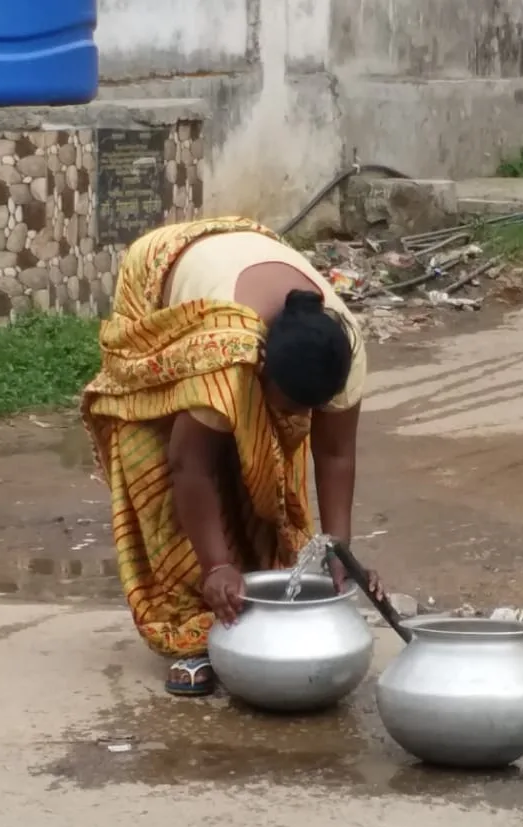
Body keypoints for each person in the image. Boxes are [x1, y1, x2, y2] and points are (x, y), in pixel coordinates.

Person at [80, 216, 377, 697]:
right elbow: (188, 464)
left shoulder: (345, 352)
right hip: (159, 271)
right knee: (156, 462)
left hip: (243, 252)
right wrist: (215, 565)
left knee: (257, 469)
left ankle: (246, 599)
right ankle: (190, 632)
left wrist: (339, 549)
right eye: (290, 407)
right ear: (262, 369)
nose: (299, 420)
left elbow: (336, 452)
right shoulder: (226, 355)